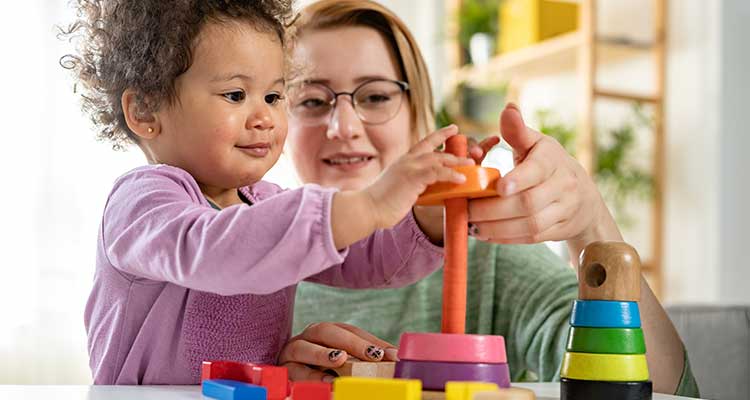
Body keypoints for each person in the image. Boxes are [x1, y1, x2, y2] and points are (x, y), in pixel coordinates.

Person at [281, 0, 699, 397]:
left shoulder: (488, 257)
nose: (344, 126)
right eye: (312, 100)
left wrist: (591, 226)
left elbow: (657, 390)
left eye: (375, 96)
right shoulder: (241, 255)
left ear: (417, 114)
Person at [62, 0, 475, 385]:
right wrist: (368, 204)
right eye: (236, 95)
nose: (264, 117)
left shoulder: (265, 202)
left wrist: (427, 217)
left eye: (275, 96)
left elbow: (366, 256)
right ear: (146, 111)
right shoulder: (141, 202)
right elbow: (217, 249)